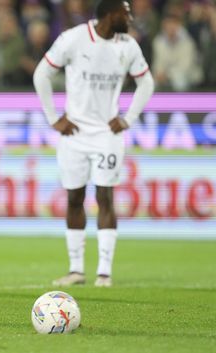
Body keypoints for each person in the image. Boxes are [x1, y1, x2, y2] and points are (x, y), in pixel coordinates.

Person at [33, 0, 154, 287]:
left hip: (107, 135)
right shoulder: (73, 39)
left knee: (105, 197)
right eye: (125, 13)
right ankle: (76, 270)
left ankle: (104, 273)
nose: (130, 18)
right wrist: (54, 118)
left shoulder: (128, 45)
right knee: (74, 198)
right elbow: (42, 74)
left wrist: (128, 119)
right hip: (73, 134)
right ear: (109, 16)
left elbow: (146, 82)